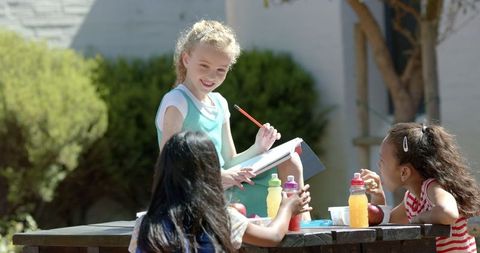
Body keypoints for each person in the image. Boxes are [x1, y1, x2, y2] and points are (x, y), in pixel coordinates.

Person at [154, 19, 308, 217]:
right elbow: (170, 164)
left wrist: (258, 147)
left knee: (291, 160)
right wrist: (220, 177)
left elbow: (229, 160)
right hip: (195, 191)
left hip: (225, 184)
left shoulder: (219, 102)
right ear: (186, 59)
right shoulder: (177, 101)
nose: (212, 76)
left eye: (221, 69)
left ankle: (301, 228)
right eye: (204, 65)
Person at [128, 131, 312, 252]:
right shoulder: (220, 219)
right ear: (210, 173)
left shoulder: (145, 223)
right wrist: (286, 208)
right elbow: (273, 237)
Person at [360, 122, 480, 253]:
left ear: (404, 172)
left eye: (382, 161)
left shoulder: (431, 187)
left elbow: (448, 213)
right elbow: (387, 225)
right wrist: (378, 195)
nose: (379, 165)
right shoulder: (412, 199)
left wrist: (419, 219)